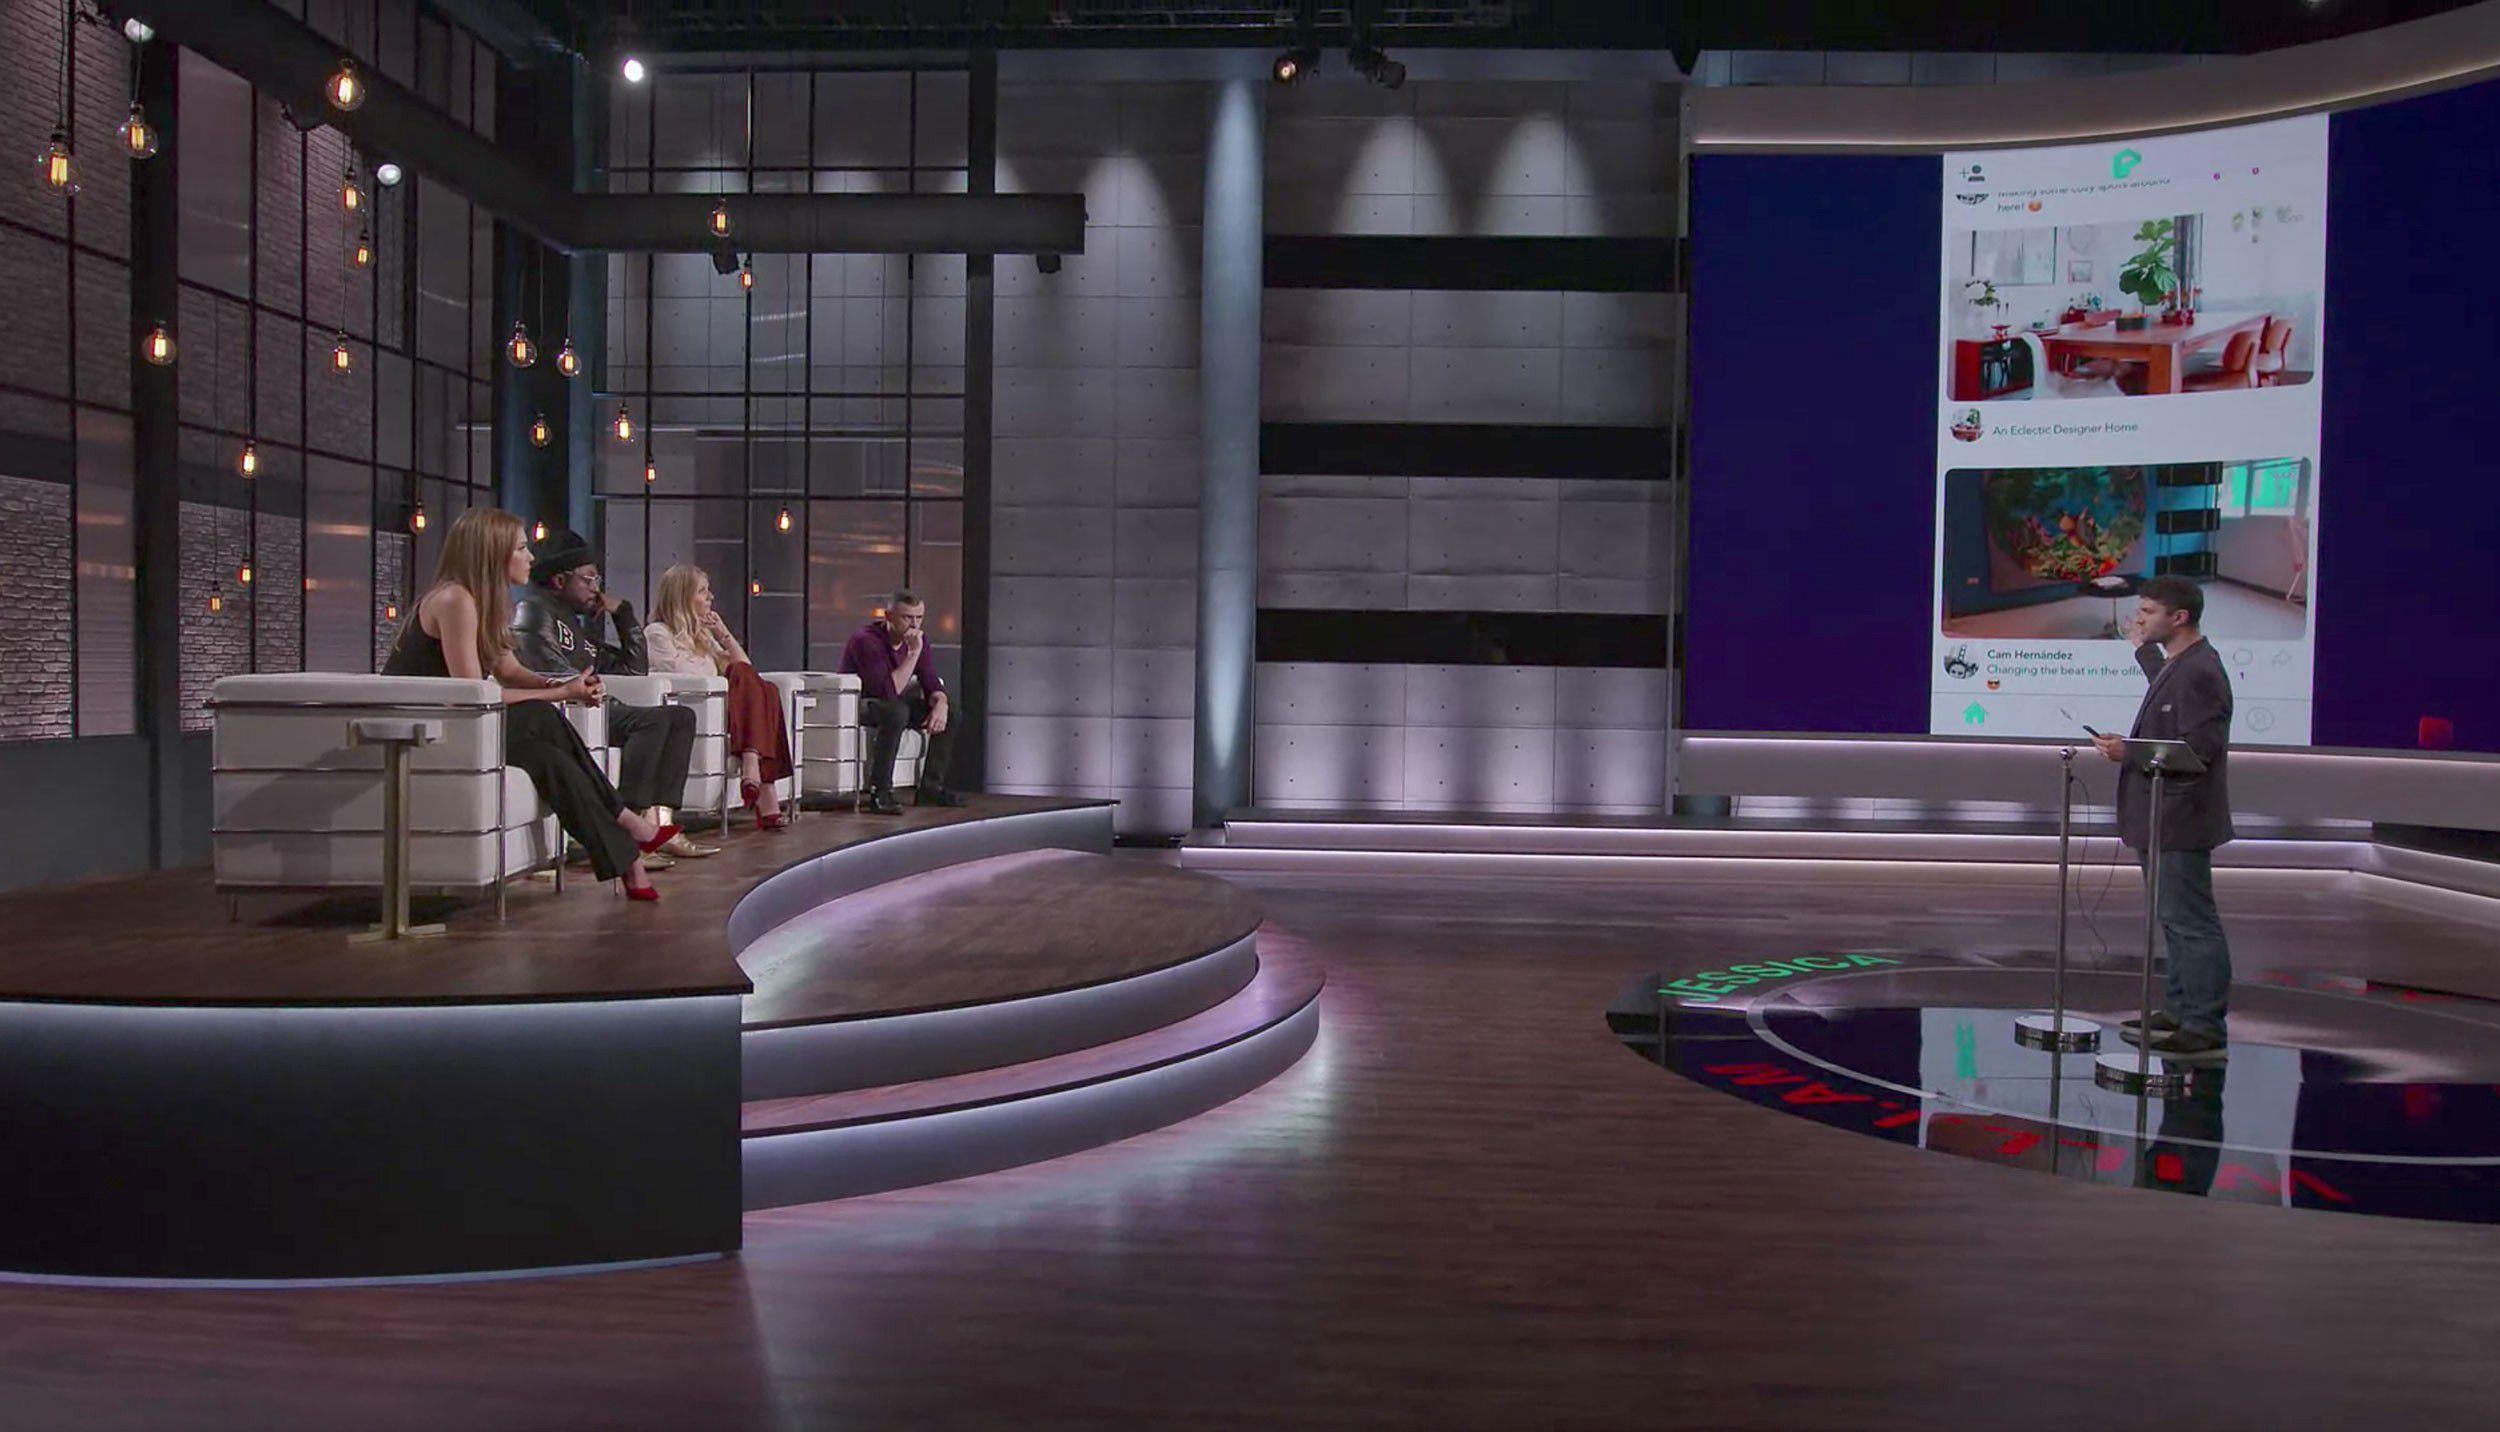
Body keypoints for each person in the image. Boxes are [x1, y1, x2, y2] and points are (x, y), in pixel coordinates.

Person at [381, 508, 675, 902]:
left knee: (550, 759)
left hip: (462, 725)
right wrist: (560, 693)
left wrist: (565, 685)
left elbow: (509, 671)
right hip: (422, 732)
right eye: (521, 548)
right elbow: (473, 697)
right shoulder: (455, 600)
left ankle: (629, 859)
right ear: (492, 552)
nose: (531, 558)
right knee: (539, 714)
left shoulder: (488, 603)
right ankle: (626, 825)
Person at [511, 530, 715, 865]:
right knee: (652, 723)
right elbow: (550, 671)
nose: (596, 588)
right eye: (588, 579)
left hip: (594, 706)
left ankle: (662, 825)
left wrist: (623, 613)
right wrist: (586, 689)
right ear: (560, 580)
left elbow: (633, 670)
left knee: (679, 717)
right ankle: (630, 831)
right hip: (565, 713)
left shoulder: (573, 624)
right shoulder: (533, 612)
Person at [2093, 574, 2234, 1058]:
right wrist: (2142, 651)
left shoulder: (2200, 671)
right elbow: (2168, 695)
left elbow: (2199, 752)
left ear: (2179, 617)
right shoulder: (2181, 664)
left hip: (2181, 818)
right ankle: (2178, 1011)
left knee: (2191, 922)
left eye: (2148, 612)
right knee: (2172, 919)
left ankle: (2203, 1024)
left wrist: (2128, 752)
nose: (2139, 619)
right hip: (2161, 817)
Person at [645, 564, 794, 831]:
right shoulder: (657, 633)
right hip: (695, 709)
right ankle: (761, 783)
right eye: (703, 591)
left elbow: (746, 669)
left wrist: (723, 634)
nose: (710, 597)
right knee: (762, 690)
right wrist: (720, 674)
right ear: (683, 597)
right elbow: (684, 674)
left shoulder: (703, 635)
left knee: (766, 688)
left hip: (725, 708)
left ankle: (752, 762)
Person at [837, 588, 959, 815]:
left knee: (951, 712)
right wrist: (913, 654)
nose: (914, 625)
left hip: (893, 704)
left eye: (919, 618)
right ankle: (880, 792)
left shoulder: (919, 641)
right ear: (888, 617)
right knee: (896, 712)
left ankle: (930, 788)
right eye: (907, 618)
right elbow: (885, 691)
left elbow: (931, 682)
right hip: (859, 704)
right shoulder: (865, 640)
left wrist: (941, 704)